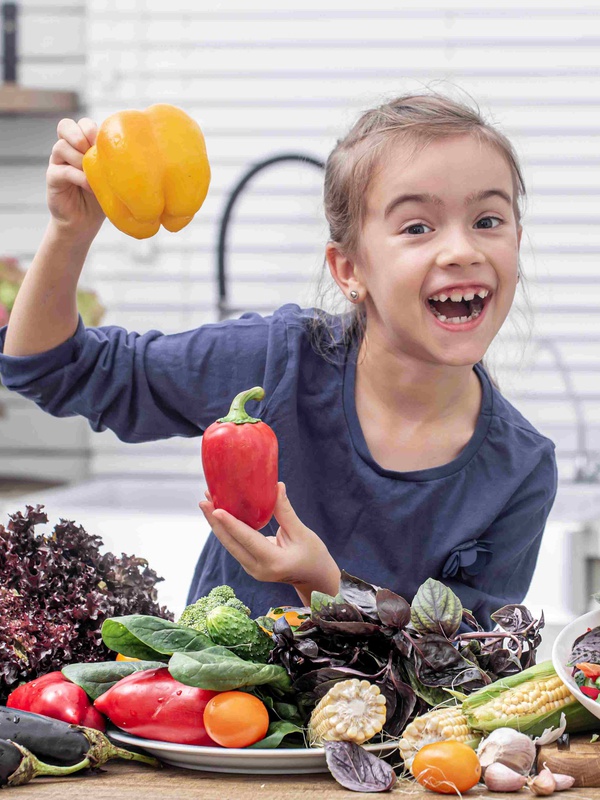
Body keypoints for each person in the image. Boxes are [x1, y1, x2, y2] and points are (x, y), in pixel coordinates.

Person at [0, 92, 557, 629]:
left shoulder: (520, 470)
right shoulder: (276, 361)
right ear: (348, 271)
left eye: (488, 220)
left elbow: (469, 670)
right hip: (209, 723)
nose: (463, 250)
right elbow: (49, 366)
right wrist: (71, 233)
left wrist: (328, 589)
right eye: (417, 227)